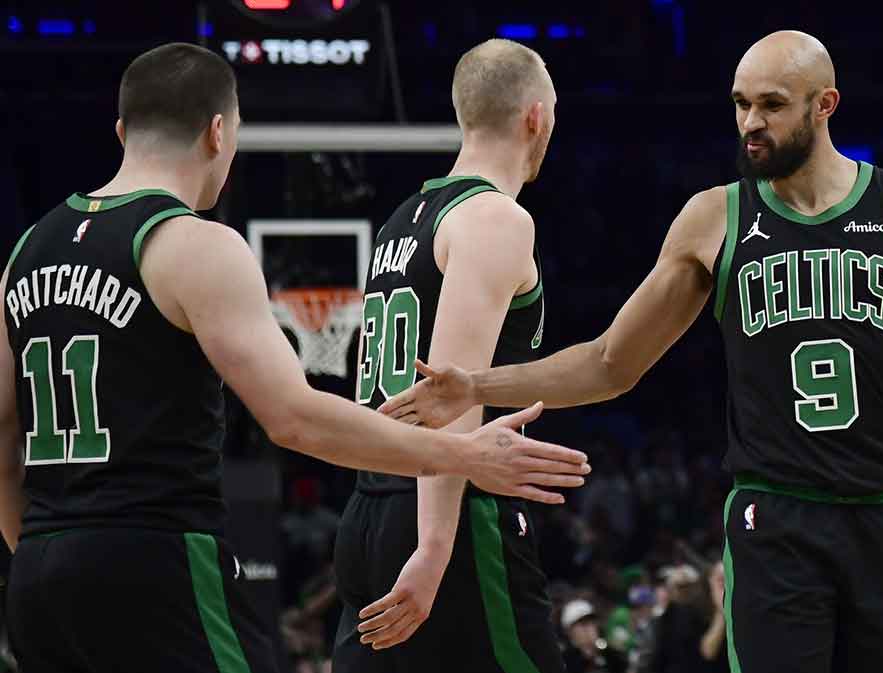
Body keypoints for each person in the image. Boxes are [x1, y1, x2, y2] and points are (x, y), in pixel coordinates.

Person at [385, 29, 883, 673]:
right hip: (775, 520)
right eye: (740, 104)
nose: (750, 123)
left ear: (825, 104)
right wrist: (476, 382)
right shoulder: (713, 218)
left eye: (771, 104)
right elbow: (608, 363)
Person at [0, 43, 589, 673]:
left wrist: (39, 550)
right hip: (171, 552)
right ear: (219, 131)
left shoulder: (26, 249)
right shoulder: (191, 243)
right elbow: (322, 413)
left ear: (121, 131)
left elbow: (4, 430)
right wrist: (458, 476)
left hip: (43, 567)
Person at [333, 39, 570, 672]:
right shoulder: (495, 218)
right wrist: (435, 545)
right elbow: (448, 394)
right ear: (536, 117)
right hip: (451, 512)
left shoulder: (402, 221)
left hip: (368, 508)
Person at [562, 599, 629, 673]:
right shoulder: (564, 660)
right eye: (583, 624)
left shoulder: (610, 654)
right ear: (569, 631)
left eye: (592, 622)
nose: (589, 628)